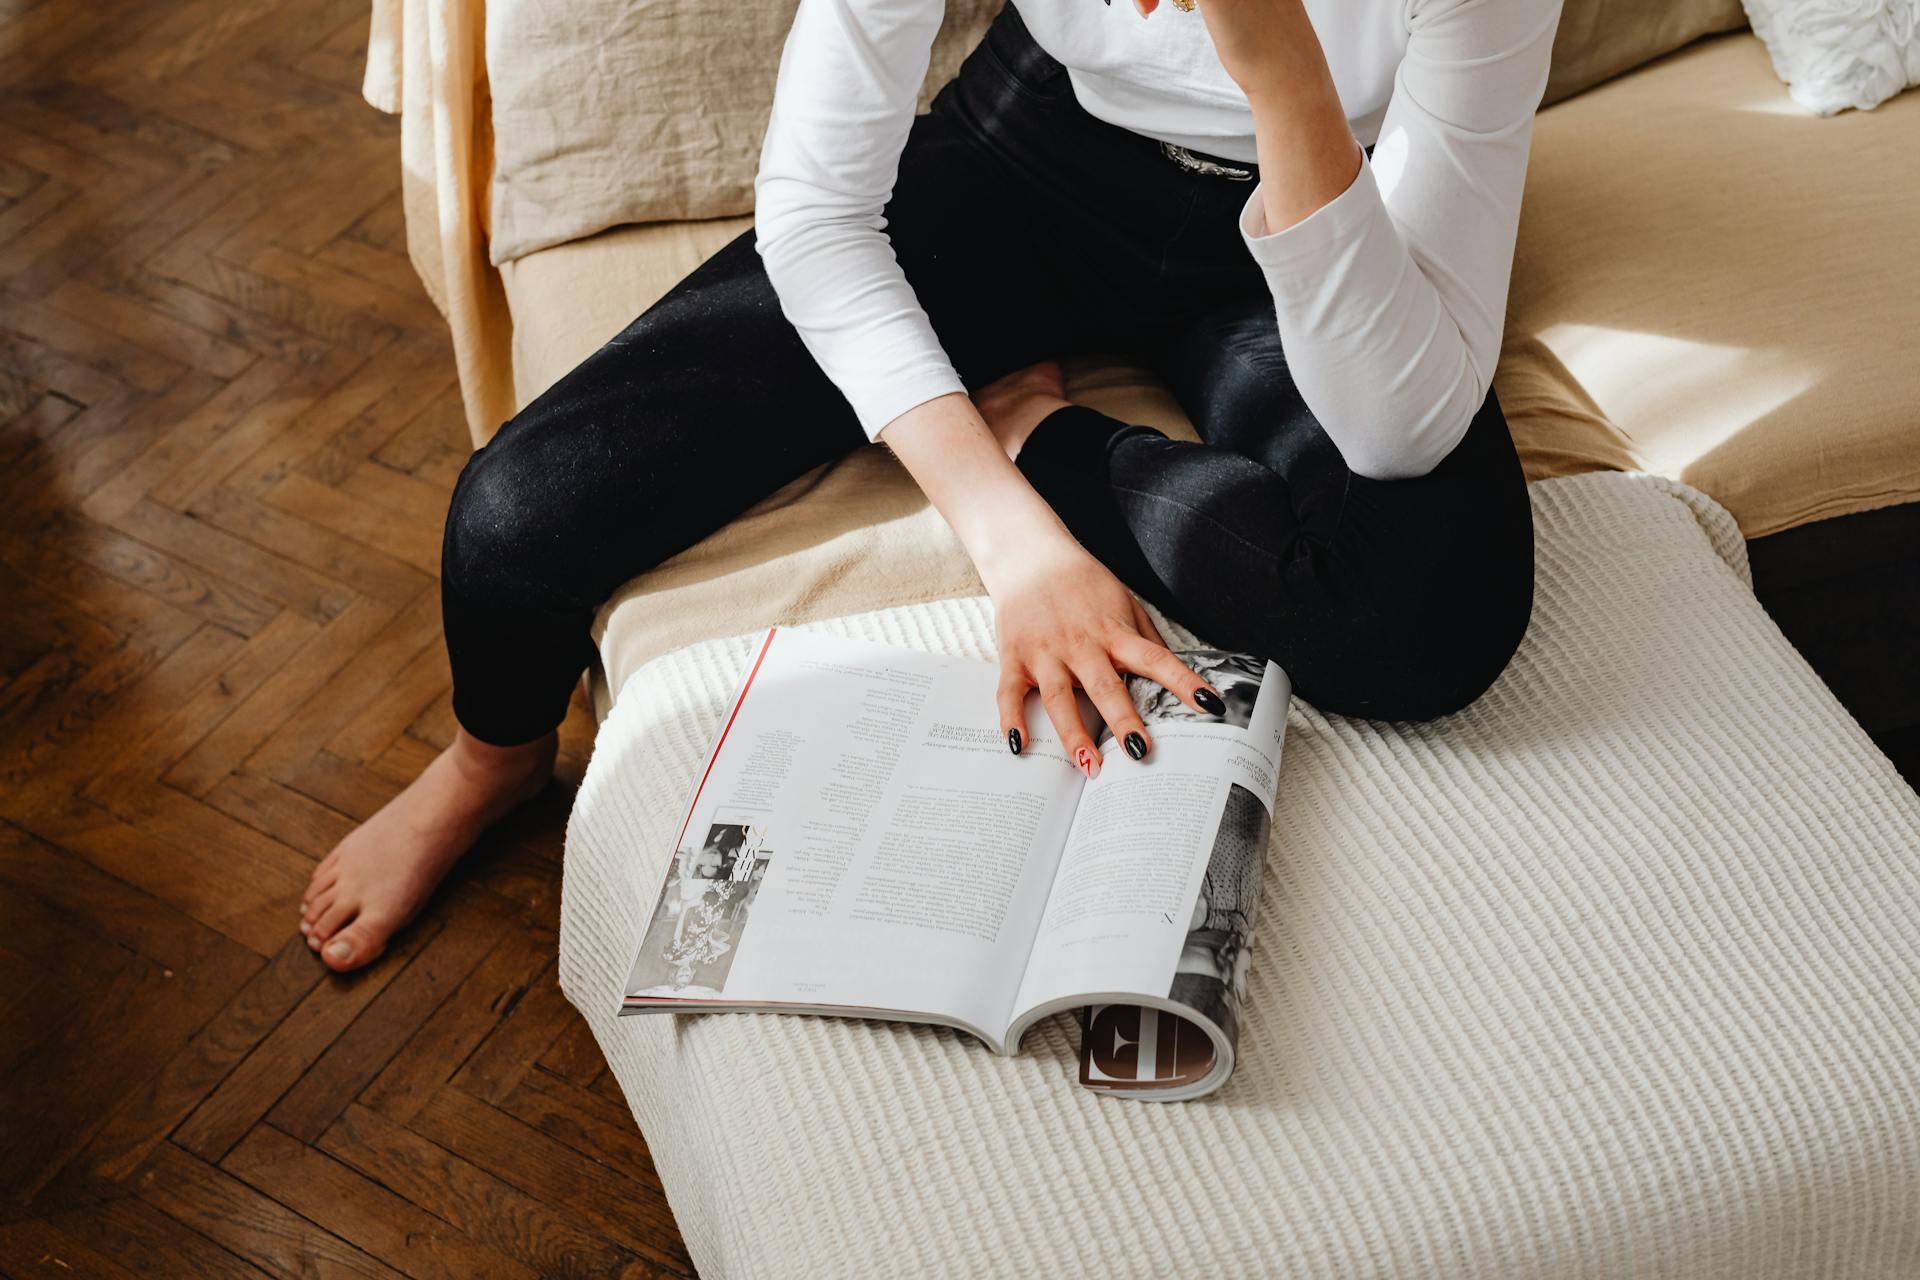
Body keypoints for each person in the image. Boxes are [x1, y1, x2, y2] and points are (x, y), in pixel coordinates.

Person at [299, 0, 1559, 971]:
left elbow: (1404, 428)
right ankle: (492, 760)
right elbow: (818, 213)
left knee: (1429, 609)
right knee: (513, 518)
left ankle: (1044, 423)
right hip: (1041, 153)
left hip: (1331, 180)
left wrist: (1277, 64)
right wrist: (1017, 544)